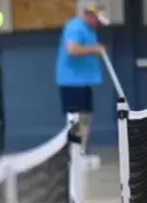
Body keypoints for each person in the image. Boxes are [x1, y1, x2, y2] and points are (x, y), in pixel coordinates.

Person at [55, 2, 108, 164]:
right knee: (75, 119)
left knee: (86, 118)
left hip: (84, 81)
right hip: (72, 82)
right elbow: (72, 49)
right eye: (96, 20)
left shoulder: (90, 29)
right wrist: (94, 50)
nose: (98, 24)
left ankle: (81, 152)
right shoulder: (74, 27)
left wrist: (94, 51)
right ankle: (74, 154)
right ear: (89, 15)